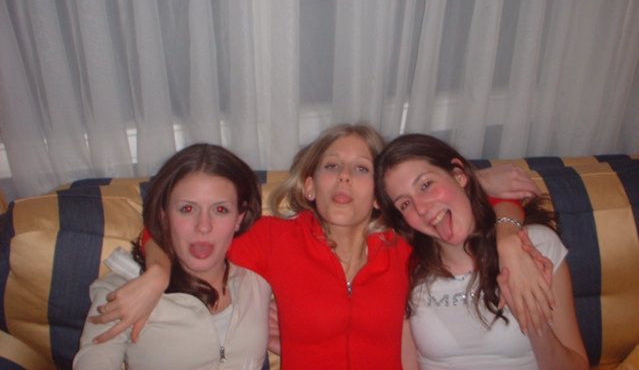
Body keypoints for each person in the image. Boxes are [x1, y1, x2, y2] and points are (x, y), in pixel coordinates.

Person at [89, 124, 553, 369]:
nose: (345, 178)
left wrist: (501, 221)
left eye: (361, 169)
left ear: (379, 195)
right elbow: (182, 231)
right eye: (332, 166)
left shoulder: (404, 244)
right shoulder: (273, 239)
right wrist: (156, 273)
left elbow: (470, 206)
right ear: (310, 186)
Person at [375, 133, 588, 369]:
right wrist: (484, 179)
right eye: (405, 203)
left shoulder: (535, 247)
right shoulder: (408, 268)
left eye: (426, 185)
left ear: (458, 175)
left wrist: (534, 317)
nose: (422, 208)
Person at [74, 144, 271, 370]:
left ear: (239, 218)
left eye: (220, 210)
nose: (203, 226)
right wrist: (157, 274)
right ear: (164, 215)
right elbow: (94, 359)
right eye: (187, 209)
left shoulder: (259, 274)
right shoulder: (124, 289)